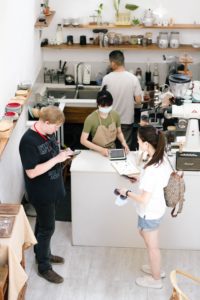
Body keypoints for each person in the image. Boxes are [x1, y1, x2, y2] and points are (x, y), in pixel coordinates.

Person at [19, 106, 74, 284]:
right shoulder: (28, 141)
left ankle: (42, 253)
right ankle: (44, 267)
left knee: (42, 225)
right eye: (56, 127)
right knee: (47, 228)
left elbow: (50, 155)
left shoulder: (47, 134)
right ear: (46, 122)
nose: (56, 130)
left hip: (53, 188)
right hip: (41, 193)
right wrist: (56, 160)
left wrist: (63, 155)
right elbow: (32, 173)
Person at [118, 125, 171, 289]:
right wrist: (138, 178)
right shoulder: (161, 158)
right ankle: (155, 268)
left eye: (139, 141)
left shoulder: (151, 169)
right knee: (144, 234)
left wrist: (126, 192)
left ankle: (156, 279)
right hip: (156, 209)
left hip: (150, 212)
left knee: (152, 248)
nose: (138, 143)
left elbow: (143, 199)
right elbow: (153, 182)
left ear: (147, 144)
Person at [102, 50, 142, 149]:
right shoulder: (133, 78)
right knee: (125, 148)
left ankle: (110, 164)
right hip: (126, 120)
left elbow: (102, 98)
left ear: (113, 63)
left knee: (110, 148)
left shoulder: (107, 78)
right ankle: (124, 164)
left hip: (110, 120)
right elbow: (138, 101)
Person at [80, 86, 129, 156]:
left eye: (108, 106)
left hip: (112, 151)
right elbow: (83, 140)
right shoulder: (90, 119)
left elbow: (119, 132)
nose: (106, 108)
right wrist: (101, 150)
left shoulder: (115, 115)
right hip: (96, 152)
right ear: (98, 104)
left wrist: (124, 142)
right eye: (103, 106)